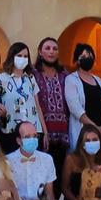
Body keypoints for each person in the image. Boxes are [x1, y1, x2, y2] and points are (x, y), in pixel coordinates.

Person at [0, 42, 46, 155]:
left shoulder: (30, 79)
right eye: (19, 56)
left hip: (33, 131)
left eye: (25, 56)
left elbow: (37, 106)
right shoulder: (0, 80)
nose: (23, 59)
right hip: (11, 131)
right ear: (12, 57)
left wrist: (45, 132)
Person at [32, 37, 70, 177]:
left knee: (60, 176)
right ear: (40, 52)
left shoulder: (65, 75)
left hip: (63, 135)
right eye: (47, 48)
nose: (51, 52)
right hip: (42, 134)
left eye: (55, 49)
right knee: (43, 176)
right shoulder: (33, 75)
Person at [63, 43, 101, 151]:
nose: (87, 59)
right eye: (83, 57)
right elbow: (76, 109)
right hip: (82, 133)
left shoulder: (100, 81)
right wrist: (95, 128)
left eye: (90, 56)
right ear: (77, 60)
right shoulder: (71, 80)